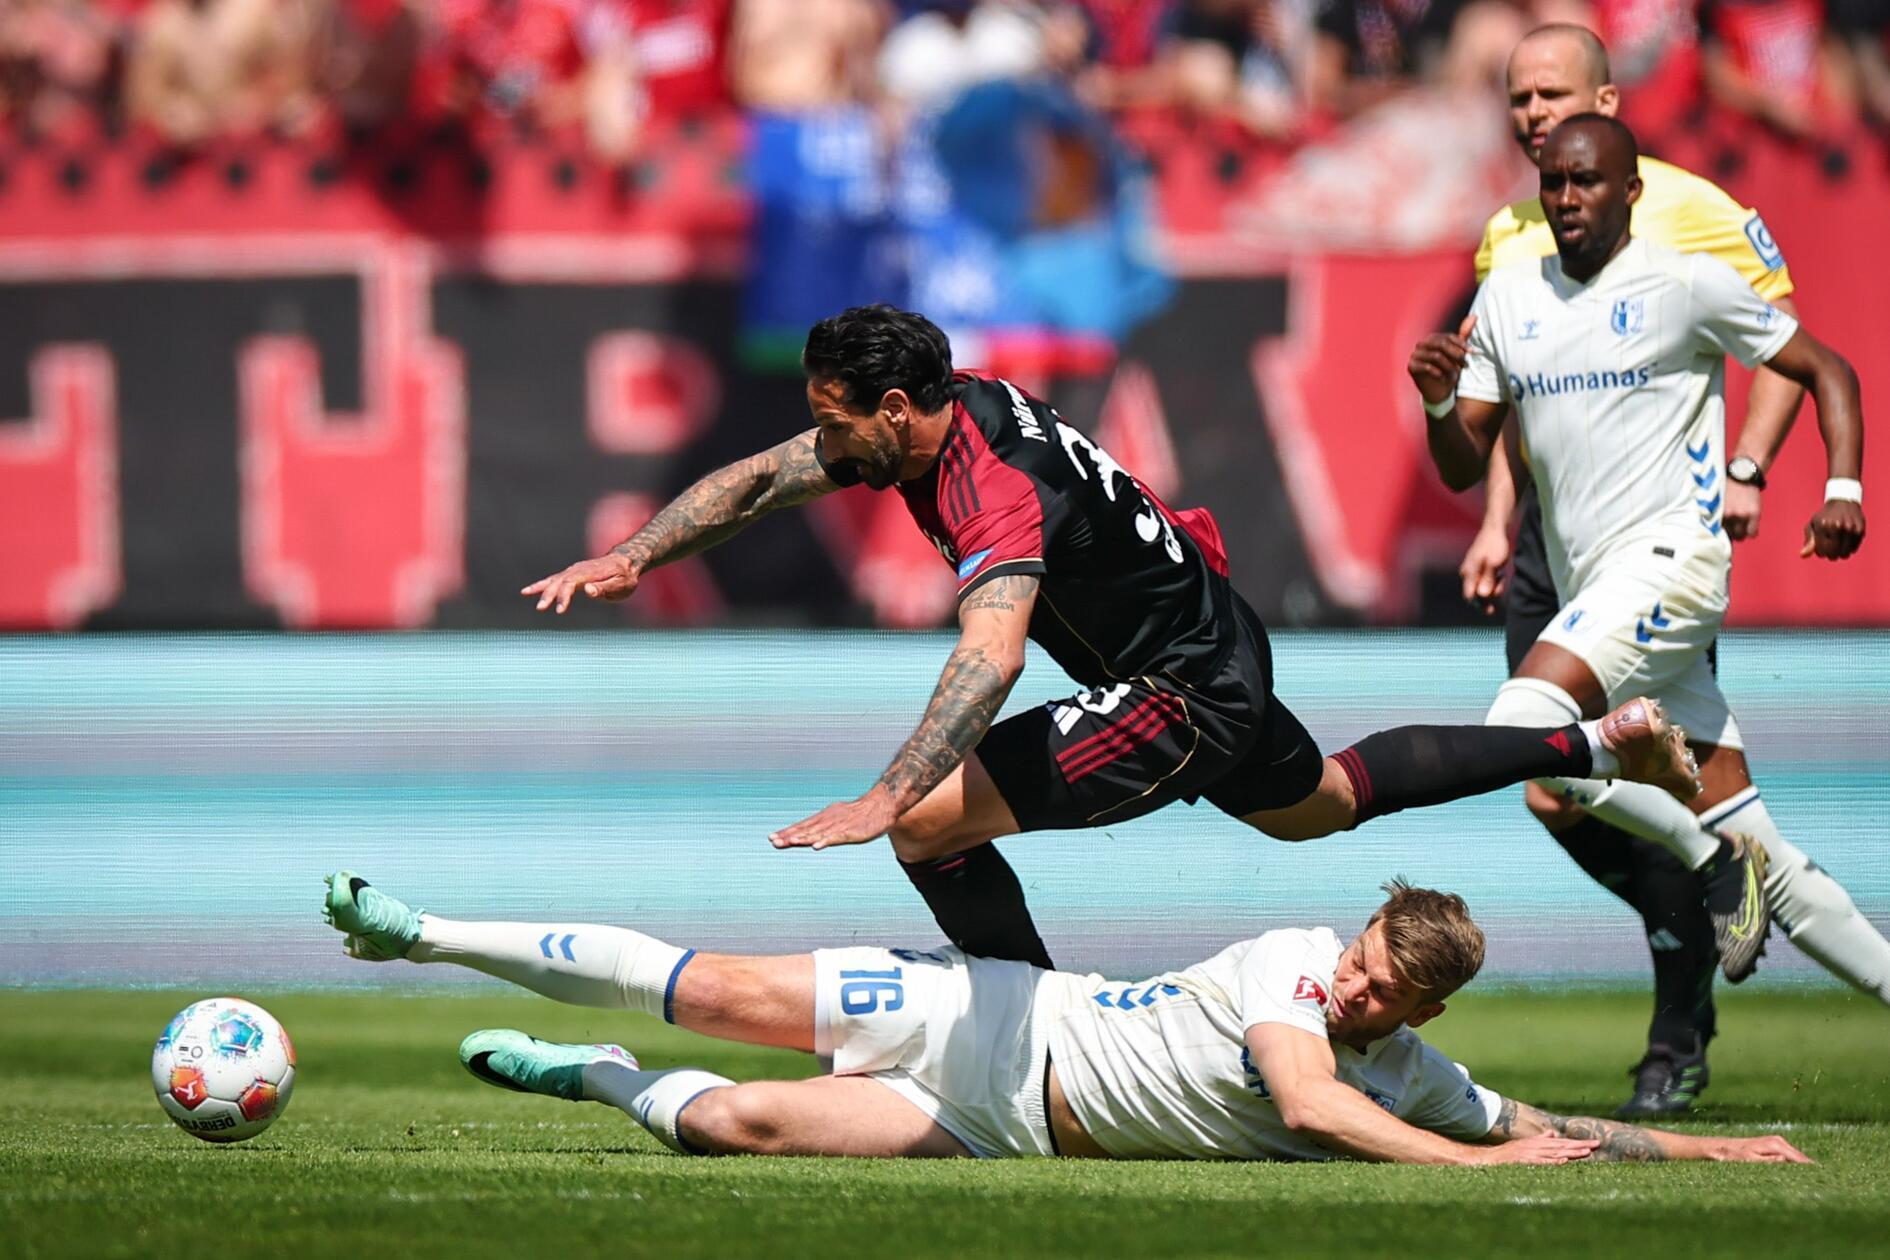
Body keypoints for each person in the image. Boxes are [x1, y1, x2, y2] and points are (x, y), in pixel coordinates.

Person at [525, 303, 1699, 977]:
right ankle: (1598, 746)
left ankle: (1029, 1053)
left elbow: (989, 657)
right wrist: (637, 554)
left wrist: (888, 793)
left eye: (837, 421)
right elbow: (755, 483)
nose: (822, 442)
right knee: (1327, 803)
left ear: (894, 411)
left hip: (1182, 687)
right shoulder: (944, 407)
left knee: (931, 823)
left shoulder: (994, 488)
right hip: (1215, 640)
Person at [1410, 112, 1885, 1112]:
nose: (1568, 198)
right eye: (1553, 183)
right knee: (1770, 859)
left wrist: (1842, 487)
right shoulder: (1510, 295)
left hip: (1673, 565)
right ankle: (1732, 857)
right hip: (1601, 594)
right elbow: (1466, 465)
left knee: (1521, 733)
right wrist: (1444, 408)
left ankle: (1710, 858)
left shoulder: (1684, 279)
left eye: (1587, 181)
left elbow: (1825, 368)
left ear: (1630, 189)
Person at [322, 869, 1811, 1165]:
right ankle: (426, 934)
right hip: (983, 1011)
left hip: (985, 1125)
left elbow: (1534, 1120)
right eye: (1363, 962)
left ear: (1420, 1005)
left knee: (728, 1121)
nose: (1359, 986)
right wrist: (1481, 1171)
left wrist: (1701, 1157)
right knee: (716, 986)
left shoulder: (1410, 1071)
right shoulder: (1288, 963)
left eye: (1385, 990)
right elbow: (1307, 1107)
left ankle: (590, 1077)